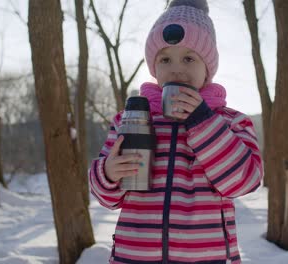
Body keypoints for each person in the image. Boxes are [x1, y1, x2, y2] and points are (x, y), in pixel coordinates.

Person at [89, 0, 263, 263]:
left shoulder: (230, 122)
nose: (176, 68)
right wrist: (108, 173)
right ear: (154, 67)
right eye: (165, 59)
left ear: (208, 68)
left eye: (189, 58)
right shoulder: (132, 119)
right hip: (135, 256)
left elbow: (245, 181)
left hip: (207, 257)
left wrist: (203, 120)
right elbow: (107, 198)